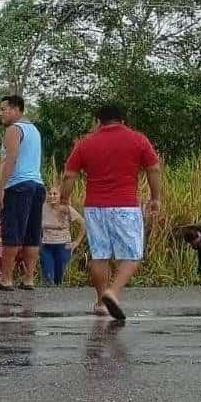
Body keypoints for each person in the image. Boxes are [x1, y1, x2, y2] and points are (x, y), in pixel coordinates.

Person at [60, 103, 162, 321]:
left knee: (100, 255)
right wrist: (155, 198)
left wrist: (63, 201)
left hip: (95, 207)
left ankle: (100, 303)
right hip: (125, 205)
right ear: (123, 120)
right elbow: (153, 168)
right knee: (133, 255)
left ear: (99, 121)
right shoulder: (138, 139)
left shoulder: (86, 143)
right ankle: (113, 292)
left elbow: (69, 175)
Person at [0, 95, 45, 291]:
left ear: (16, 109)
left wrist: (0, 190)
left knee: (12, 230)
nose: (0, 113)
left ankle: (6, 277)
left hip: (18, 185)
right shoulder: (34, 130)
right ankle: (29, 277)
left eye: (4, 109)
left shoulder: (14, 129)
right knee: (32, 232)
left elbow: (11, 159)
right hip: (37, 185)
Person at [40, 186, 86, 286]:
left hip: (63, 246)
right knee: (48, 278)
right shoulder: (43, 208)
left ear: (60, 196)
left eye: (55, 194)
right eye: (50, 194)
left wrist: (77, 242)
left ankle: (60, 299)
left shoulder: (67, 209)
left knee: (59, 280)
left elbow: (83, 224)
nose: (52, 196)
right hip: (46, 246)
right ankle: (48, 299)